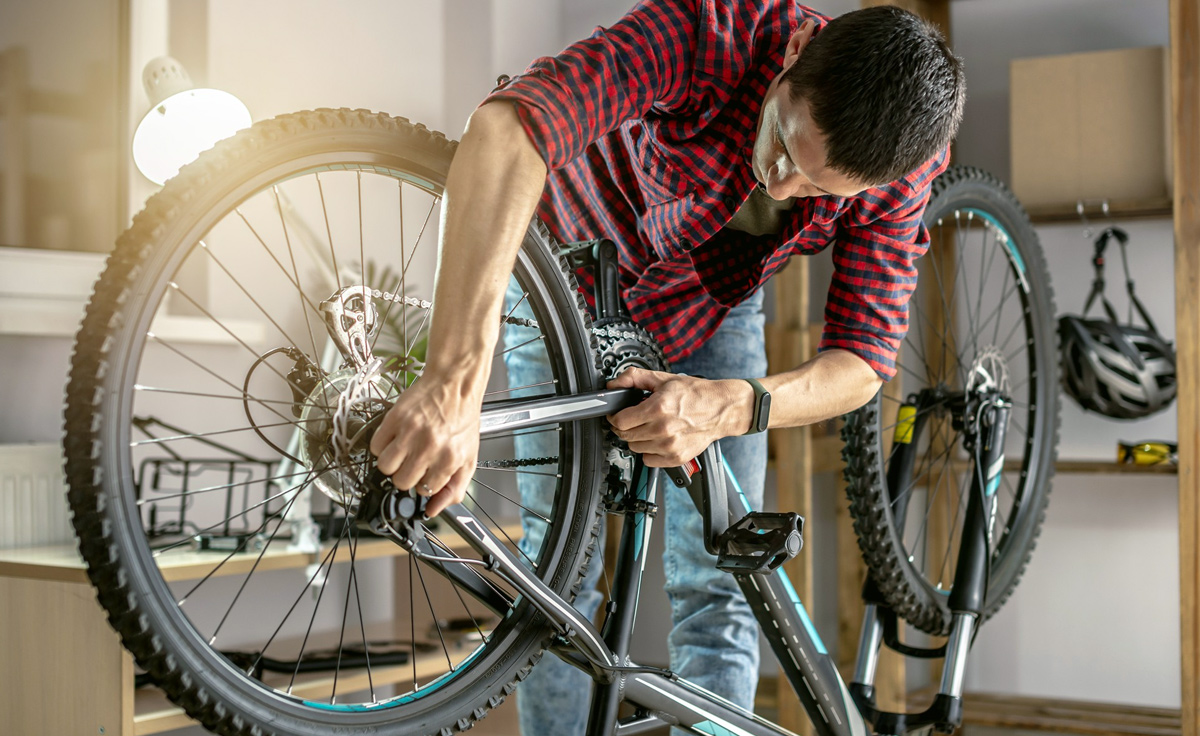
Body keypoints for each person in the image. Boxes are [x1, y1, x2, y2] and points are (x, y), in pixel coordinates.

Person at [369, 0, 965, 733]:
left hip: (708, 309)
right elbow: (508, 129)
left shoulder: (901, 171)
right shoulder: (708, 30)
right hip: (564, 272)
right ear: (796, 50)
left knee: (723, 582)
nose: (781, 187)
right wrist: (452, 382)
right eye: (783, 145)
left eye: (816, 190)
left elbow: (863, 360)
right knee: (555, 580)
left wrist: (724, 405)